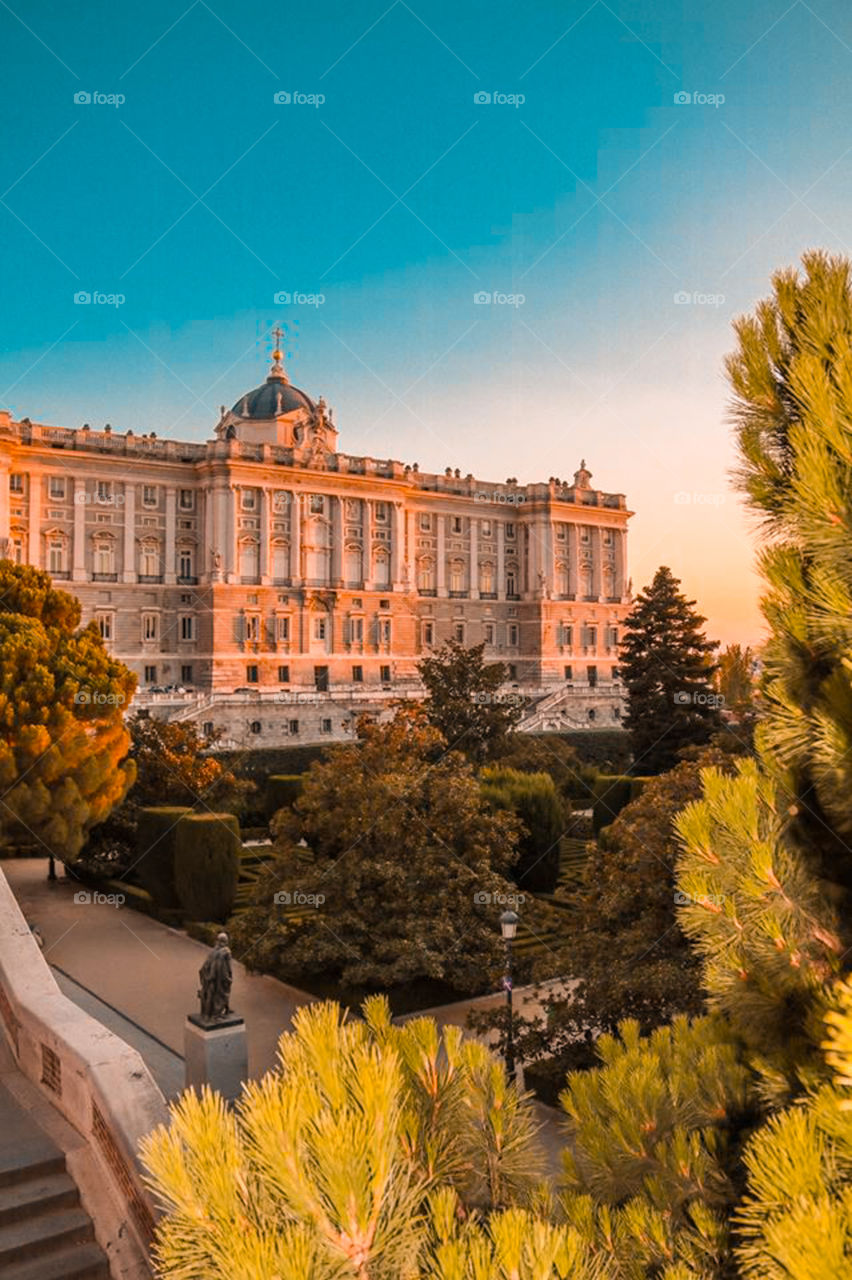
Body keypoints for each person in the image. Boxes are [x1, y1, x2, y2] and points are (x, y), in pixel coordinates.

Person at [198, 932, 233, 1020]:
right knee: (221, 995)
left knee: (210, 995)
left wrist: (206, 976)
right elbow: (228, 968)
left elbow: (205, 965)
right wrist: (229, 978)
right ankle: (215, 1014)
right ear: (226, 941)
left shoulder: (213, 951)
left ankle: (208, 1013)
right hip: (220, 979)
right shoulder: (226, 952)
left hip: (210, 978)